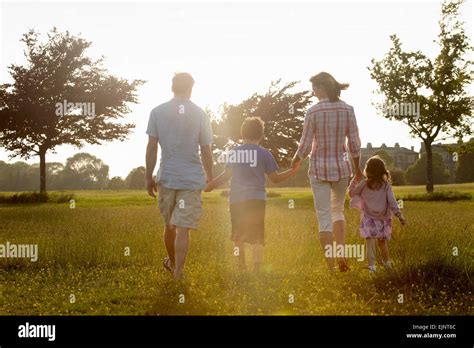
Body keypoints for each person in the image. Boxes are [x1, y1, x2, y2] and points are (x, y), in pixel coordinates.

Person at [204, 117, 299, 272]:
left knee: (237, 234)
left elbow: (226, 175)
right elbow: (275, 178)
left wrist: (209, 186)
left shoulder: (234, 152)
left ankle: (241, 265)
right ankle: (257, 269)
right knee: (257, 235)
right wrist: (292, 171)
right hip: (257, 200)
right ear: (261, 136)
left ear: (242, 134)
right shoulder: (265, 154)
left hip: (237, 200)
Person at [145, 72, 214, 280]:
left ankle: (174, 264)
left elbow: (152, 147)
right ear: (191, 88)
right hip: (191, 179)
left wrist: (148, 176)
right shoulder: (201, 114)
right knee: (183, 229)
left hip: (167, 177)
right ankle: (178, 272)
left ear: (172, 87)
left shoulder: (157, 112)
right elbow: (206, 149)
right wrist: (210, 176)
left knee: (169, 226)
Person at [291, 72, 362, 272]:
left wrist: (295, 159)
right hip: (341, 168)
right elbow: (354, 143)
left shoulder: (313, 112)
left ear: (322, 87)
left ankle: (331, 268)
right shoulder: (348, 109)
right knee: (337, 210)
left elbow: (305, 146)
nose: (313, 93)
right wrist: (357, 169)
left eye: (314, 88)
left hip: (318, 170)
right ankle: (341, 254)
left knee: (323, 216)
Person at [348, 156, 406, 273]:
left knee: (370, 243)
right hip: (383, 219)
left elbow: (351, 193)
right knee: (382, 242)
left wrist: (354, 180)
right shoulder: (386, 186)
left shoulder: (364, 184)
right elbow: (392, 201)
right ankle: (387, 264)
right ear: (382, 171)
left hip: (368, 219)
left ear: (367, 170)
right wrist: (399, 215)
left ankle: (372, 268)